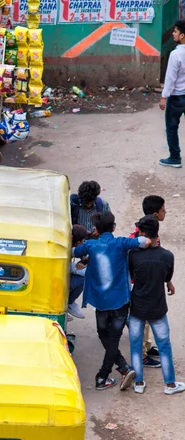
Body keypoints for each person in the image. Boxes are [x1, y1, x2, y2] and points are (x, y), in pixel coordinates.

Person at [73, 212, 151, 391]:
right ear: (114, 228)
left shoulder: (91, 245)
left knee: (104, 335)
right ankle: (110, 373)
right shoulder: (121, 243)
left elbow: (74, 251)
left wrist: (91, 238)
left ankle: (111, 373)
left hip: (100, 302)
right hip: (120, 301)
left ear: (96, 230)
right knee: (113, 339)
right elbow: (144, 242)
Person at [129, 216, 185, 395]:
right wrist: (168, 282)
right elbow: (167, 276)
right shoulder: (168, 256)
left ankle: (138, 382)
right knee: (164, 346)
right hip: (158, 308)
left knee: (136, 345)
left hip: (137, 307)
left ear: (143, 233)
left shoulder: (133, 255)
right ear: (157, 234)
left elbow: (132, 275)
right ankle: (170, 385)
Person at [129, 195, 167, 368]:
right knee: (143, 320)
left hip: (147, 282)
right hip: (143, 284)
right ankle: (143, 355)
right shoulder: (143, 235)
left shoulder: (149, 229)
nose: (165, 212)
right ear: (155, 213)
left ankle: (147, 346)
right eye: (162, 210)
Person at [159, 20, 185, 168]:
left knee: (172, 127)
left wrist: (164, 96)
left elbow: (170, 78)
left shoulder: (176, 54)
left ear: (182, 35)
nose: (173, 33)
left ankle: (175, 158)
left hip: (176, 98)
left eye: (175, 31)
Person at [68, 224, 88, 319]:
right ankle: (68, 303)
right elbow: (66, 266)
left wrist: (84, 261)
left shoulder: (70, 246)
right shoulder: (67, 250)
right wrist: (77, 269)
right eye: (83, 240)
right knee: (83, 278)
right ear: (78, 242)